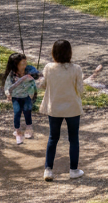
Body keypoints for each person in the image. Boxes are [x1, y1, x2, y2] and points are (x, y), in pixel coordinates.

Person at [38, 39, 102, 181]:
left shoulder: (48, 67)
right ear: (70, 53)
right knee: (73, 139)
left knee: (53, 138)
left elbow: (42, 85)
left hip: (54, 108)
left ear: (54, 53)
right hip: (72, 108)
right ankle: (73, 170)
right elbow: (80, 89)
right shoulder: (76, 68)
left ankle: (48, 170)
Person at [0, 53, 39, 145]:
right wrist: (8, 93)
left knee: (27, 111)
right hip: (16, 97)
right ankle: (18, 131)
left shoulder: (29, 71)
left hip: (27, 96)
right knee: (17, 112)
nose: (25, 65)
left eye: (25, 62)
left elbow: (37, 76)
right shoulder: (12, 75)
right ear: (16, 65)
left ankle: (29, 128)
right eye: (22, 63)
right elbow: (7, 86)